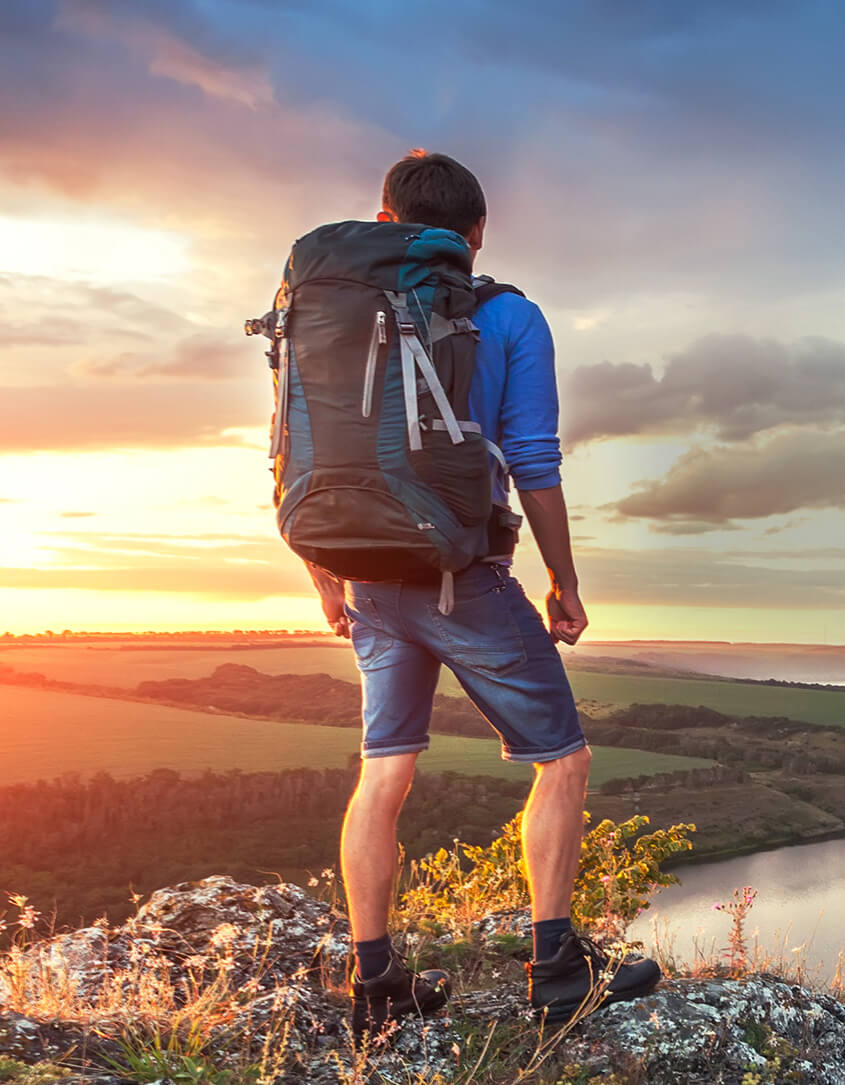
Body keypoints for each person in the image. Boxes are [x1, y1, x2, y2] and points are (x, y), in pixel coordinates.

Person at [305, 150, 662, 1040]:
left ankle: (376, 984)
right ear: (476, 235)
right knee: (563, 758)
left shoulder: (331, 307)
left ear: (382, 222)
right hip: (462, 576)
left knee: (384, 770)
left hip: (365, 576)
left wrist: (324, 574)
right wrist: (564, 580)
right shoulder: (509, 317)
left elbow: (300, 454)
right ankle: (557, 970)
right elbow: (533, 461)